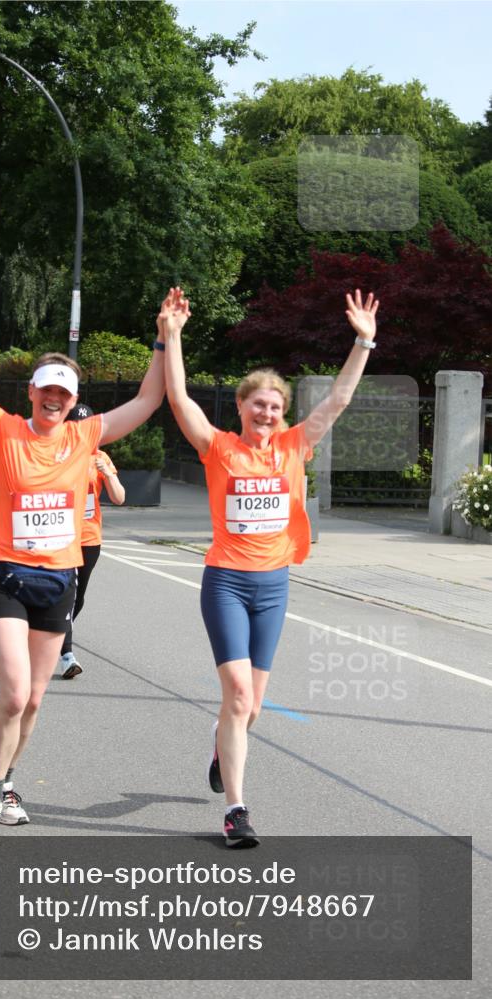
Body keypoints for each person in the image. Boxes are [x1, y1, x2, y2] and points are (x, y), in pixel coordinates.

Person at [0, 265, 189, 843]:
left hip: (60, 580)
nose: (54, 400)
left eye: (64, 394)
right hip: (4, 577)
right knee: (12, 693)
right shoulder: (1, 429)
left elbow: (152, 396)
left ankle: (7, 783)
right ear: (31, 392)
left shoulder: (86, 436)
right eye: (46, 390)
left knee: (33, 699)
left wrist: (167, 335)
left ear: (73, 400)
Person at [163, 289, 380, 848]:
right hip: (227, 583)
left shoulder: (293, 446)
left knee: (250, 707)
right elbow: (179, 396)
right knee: (238, 694)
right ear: (240, 407)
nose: (266, 413)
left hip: (274, 585)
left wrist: (363, 340)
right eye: (257, 404)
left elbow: (338, 399)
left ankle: (221, 742)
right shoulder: (218, 447)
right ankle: (236, 812)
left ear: (283, 414)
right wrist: (174, 336)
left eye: (275, 406)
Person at [58, 404, 126, 679]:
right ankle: (66, 654)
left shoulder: (100, 457)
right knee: (67, 594)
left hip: (89, 536)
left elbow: (120, 497)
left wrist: (107, 474)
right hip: (62, 537)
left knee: (79, 597)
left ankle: (51, 635)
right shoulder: (57, 455)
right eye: (76, 426)